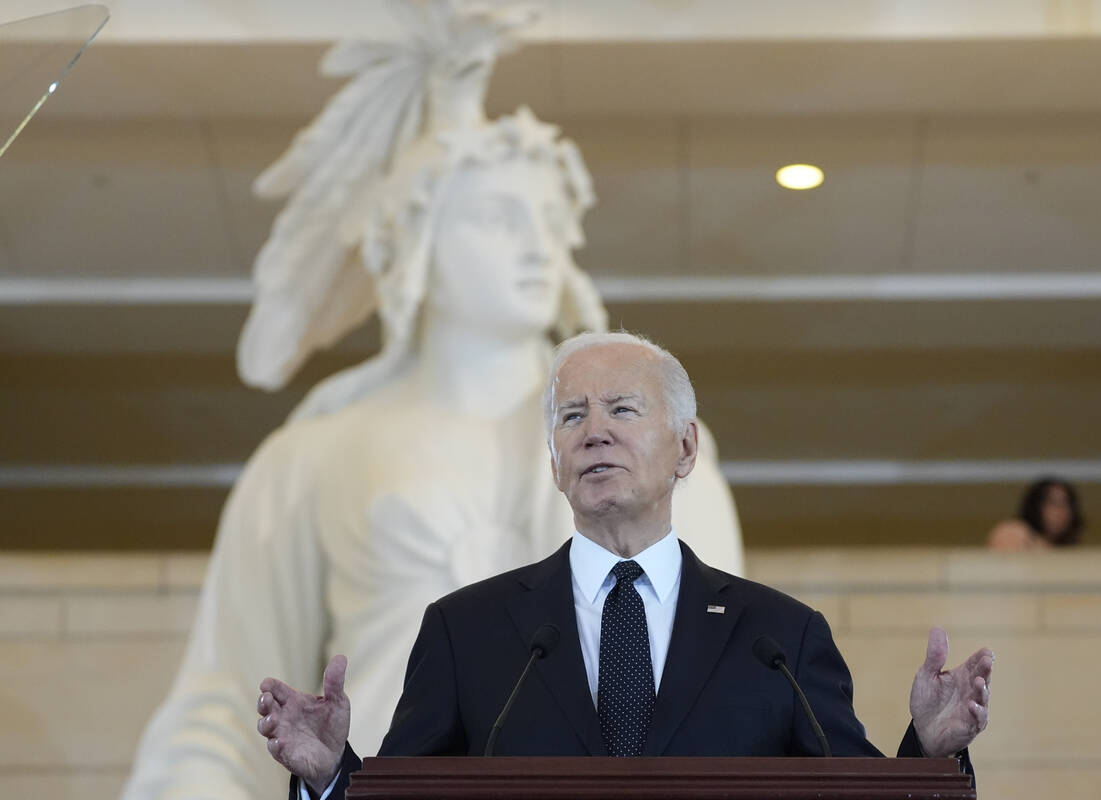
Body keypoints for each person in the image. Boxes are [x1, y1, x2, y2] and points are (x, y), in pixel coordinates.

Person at [119, 8, 742, 798]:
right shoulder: (314, 456)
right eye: (496, 218)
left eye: (548, 220)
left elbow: (719, 681)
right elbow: (227, 698)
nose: (534, 246)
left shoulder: (658, 445)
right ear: (413, 242)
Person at [257, 332, 994, 800]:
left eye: (622, 410)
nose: (594, 432)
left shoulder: (779, 638)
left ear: (685, 449)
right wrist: (329, 777)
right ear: (554, 463)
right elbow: (407, 798)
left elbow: (856, 796)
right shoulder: (467, 631)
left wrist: (927, 752)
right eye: (572, 417)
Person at [987, 477, 1084, 551]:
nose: (1061, 511)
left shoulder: (1069, 550)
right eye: (1053, 503)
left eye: (1067, 504)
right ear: (1036, 505)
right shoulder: (1014, 532)